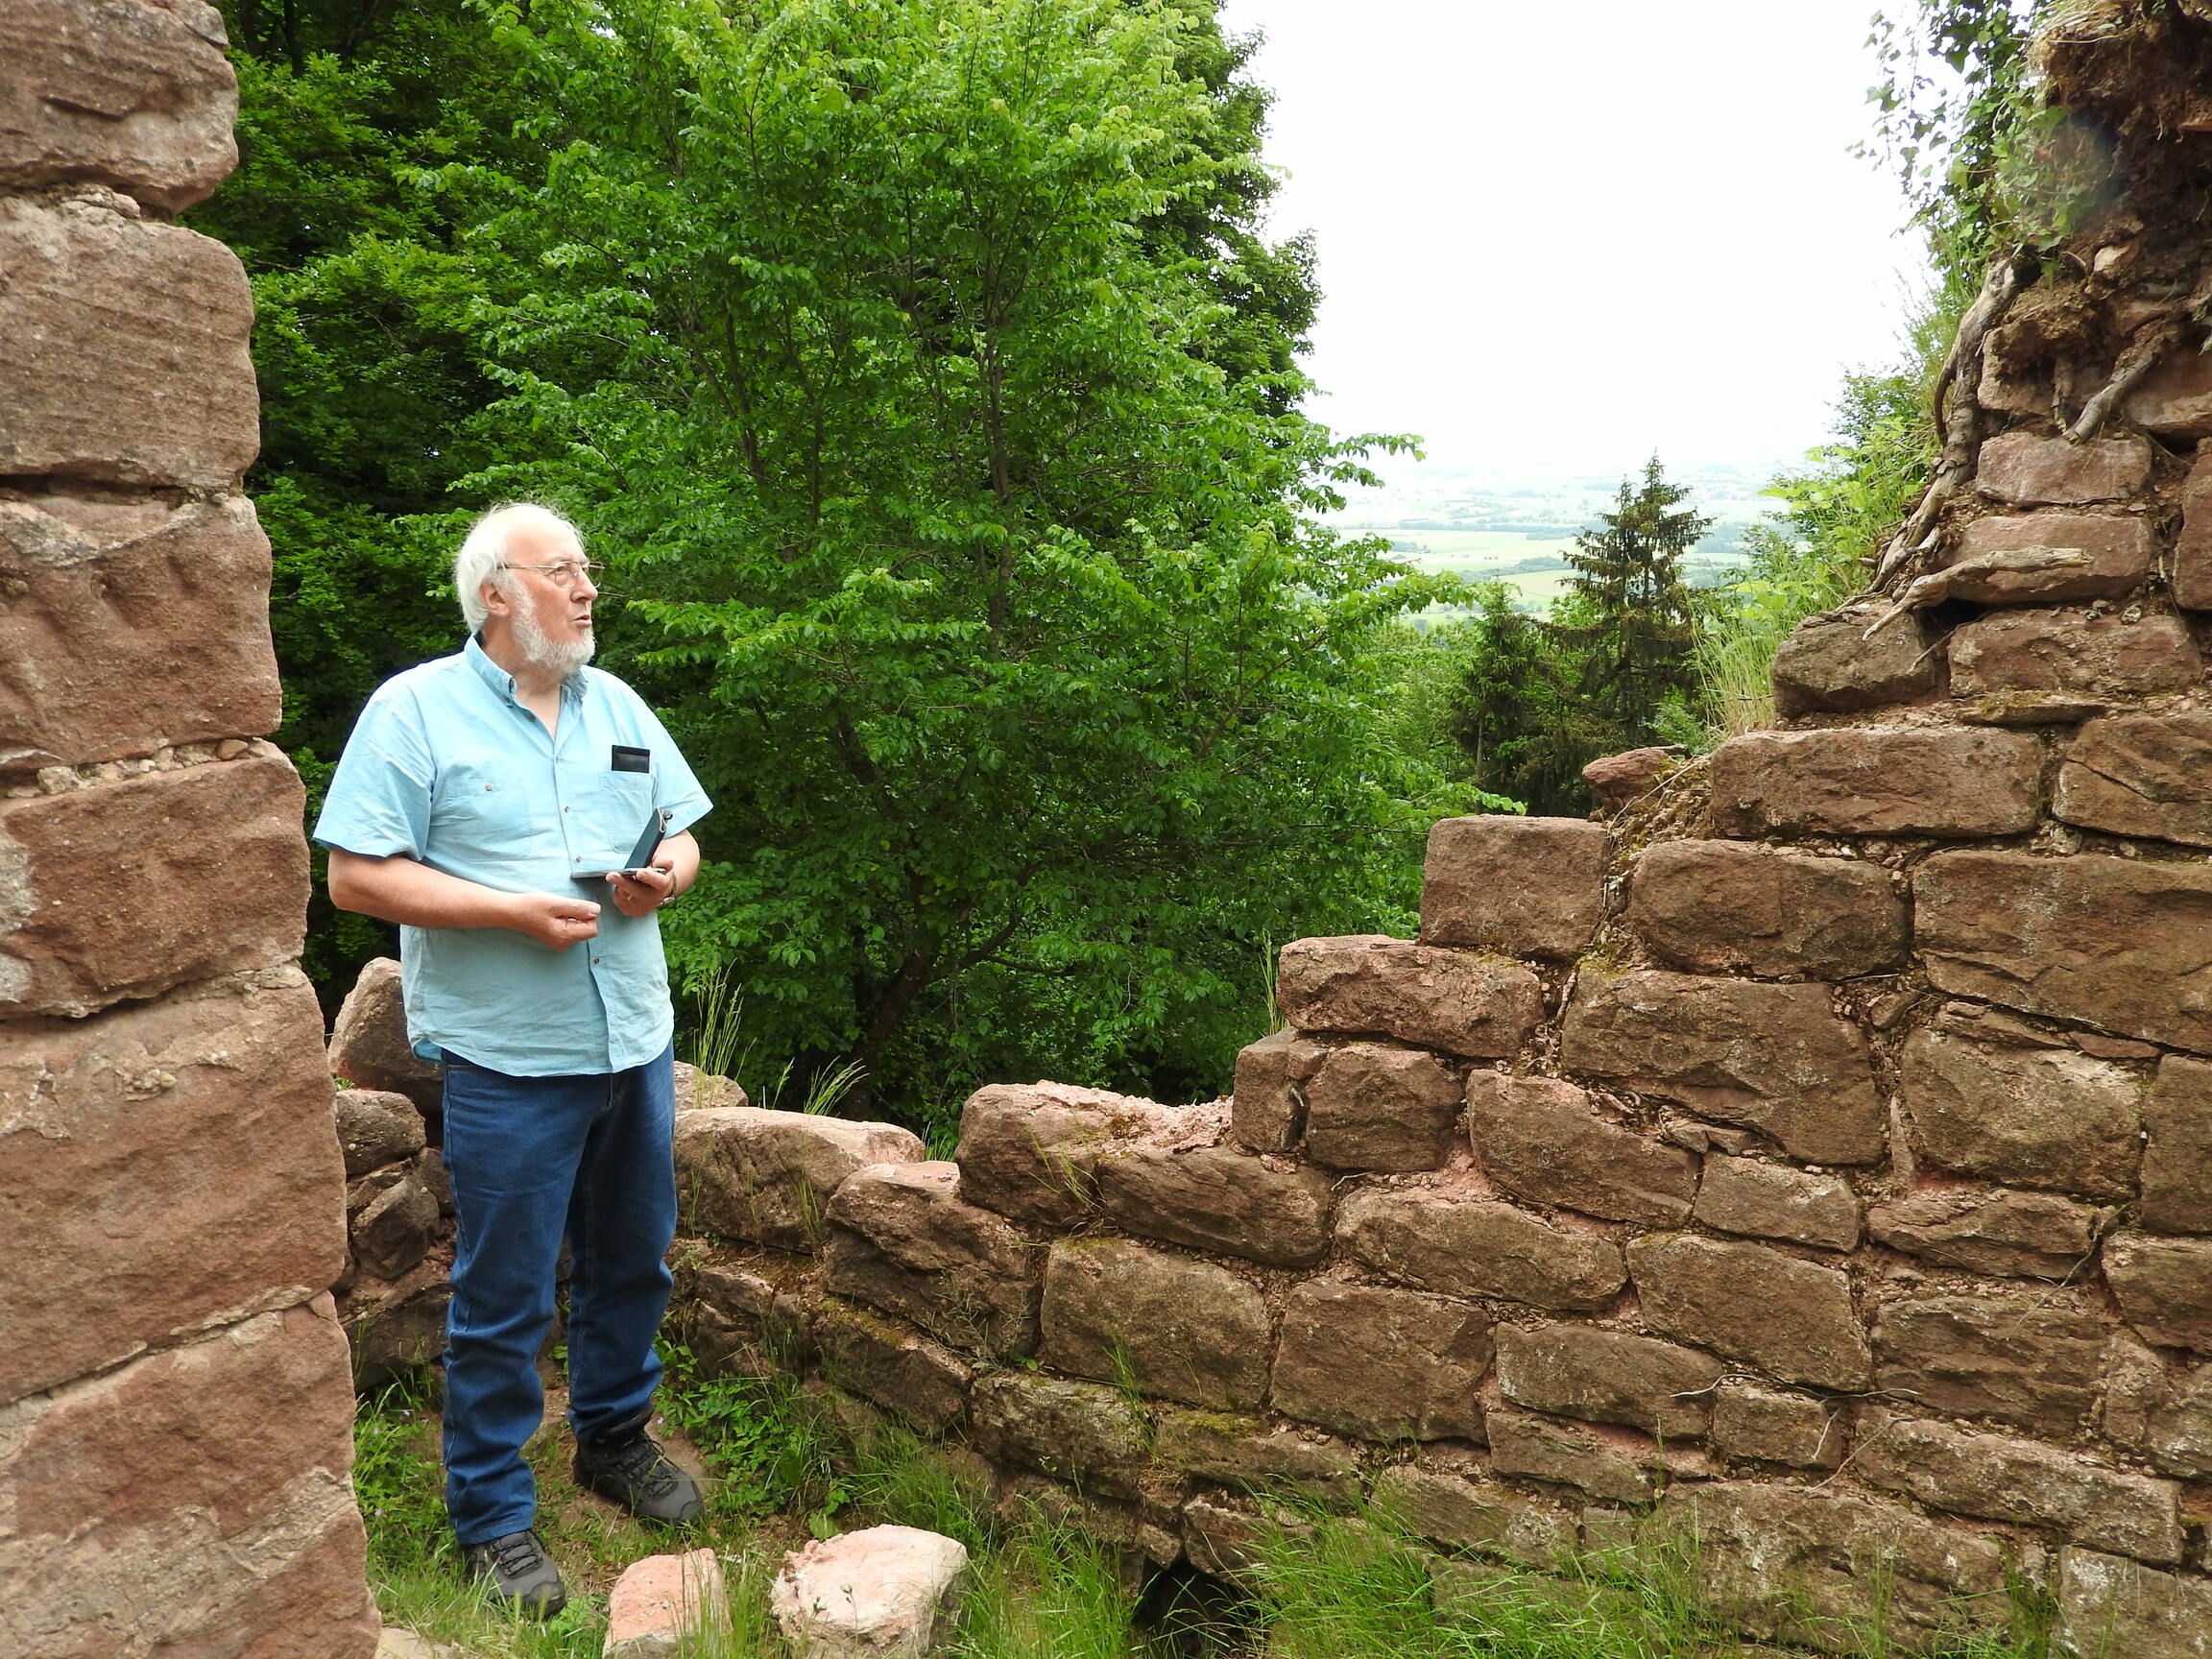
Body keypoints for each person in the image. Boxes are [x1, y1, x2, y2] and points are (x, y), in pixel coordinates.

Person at [317, 503, 710, 1615]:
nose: (588, 589)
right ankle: (491, 1515)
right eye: (563, 570)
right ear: (495, 593)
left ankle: (613, 1440)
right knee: (504, 1294)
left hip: (633, 1039)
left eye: (587, 569)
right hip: (507, 1059)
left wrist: (666, 878)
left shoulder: (616, 703)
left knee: (634, 1260)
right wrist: (508, 911)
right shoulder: (414, 711)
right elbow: (355, 876)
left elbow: (682, 831)